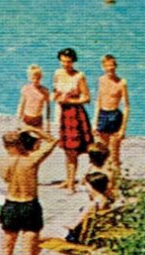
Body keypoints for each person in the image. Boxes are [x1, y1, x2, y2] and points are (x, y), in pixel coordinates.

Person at [0, 126, 57, 255]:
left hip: (11, 204)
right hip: (29, 205)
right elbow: (53, 140)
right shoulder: (32, 160)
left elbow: (6, 179)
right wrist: (32, 129)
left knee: (6, 254)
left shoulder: (2, 162)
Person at [53, 47, 92, 191]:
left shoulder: (79, 76)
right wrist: (56, 97)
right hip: (62, 113)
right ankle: (69, 178)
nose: (65, 65)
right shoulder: (57, 73)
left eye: (68, 62)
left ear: (73, 61)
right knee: (66, 150)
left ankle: (71, 183)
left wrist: (69, 101)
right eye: (63, 62)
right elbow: (55, 91)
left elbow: (87, 98)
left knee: (74, 150)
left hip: (75, 114)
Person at [94, 55, 130, 177]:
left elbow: (126, 106)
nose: (110, 68)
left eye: (112, 66)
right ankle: (104, 178)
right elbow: (98, 100)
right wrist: (94, 122)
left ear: (115, 66)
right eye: (107, 66)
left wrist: (123, 129)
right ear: (103, 67)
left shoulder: (121, 83)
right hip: (103, 114)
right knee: (102, 151)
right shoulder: (101, 80)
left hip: (114, 115)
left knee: (114, 152)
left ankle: (116, 180)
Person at [17, 64, 49, 130]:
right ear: (29, 78)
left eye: (38, 78)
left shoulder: (45, 91)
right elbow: (21, 104)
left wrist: (48, 124)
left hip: (38, 119)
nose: (35, 80)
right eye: (33, 78)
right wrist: (18, 121)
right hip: (27, 118)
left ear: (41, 77)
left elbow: (47, 108)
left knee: (38, 139)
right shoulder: (25, 89)